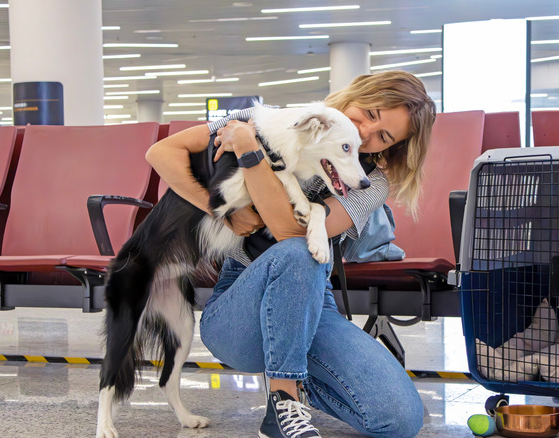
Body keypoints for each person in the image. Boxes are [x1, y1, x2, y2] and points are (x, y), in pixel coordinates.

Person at [146, 70, 436, 438]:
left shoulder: (371, 183)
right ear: (357, 93)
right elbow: (161, 151)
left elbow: (288, 234)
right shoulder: (267, 117)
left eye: (382, 137)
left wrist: (250, 153)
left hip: (313, 302)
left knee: (399, 419)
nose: (364, 134)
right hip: (240, 304)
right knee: (302, 254)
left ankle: (298, 380)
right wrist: (222, 208)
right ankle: (283, 405)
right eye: (371, 113)